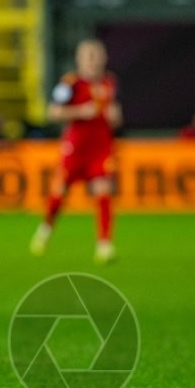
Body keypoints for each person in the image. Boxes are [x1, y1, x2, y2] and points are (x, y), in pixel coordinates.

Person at [30, 38, 122, 265]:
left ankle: (104, 245)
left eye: (96, 56)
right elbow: (52, 112)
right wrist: (81, 111)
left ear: (104, 58)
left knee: (103, 190)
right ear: (79, 59)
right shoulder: (70, 84)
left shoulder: (109, 82)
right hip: (76, 148)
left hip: (100, 147)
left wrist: (115, 117)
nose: (93, 61)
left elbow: (115, 114)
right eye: (89, 56)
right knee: (60, 191)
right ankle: (45, 229)